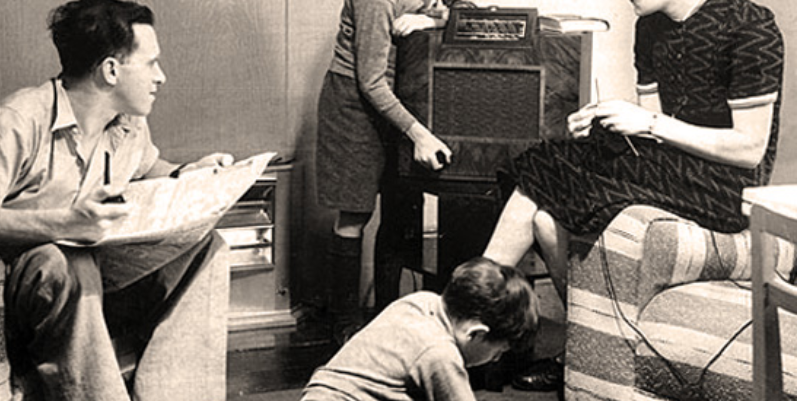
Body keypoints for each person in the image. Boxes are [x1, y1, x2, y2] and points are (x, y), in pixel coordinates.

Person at [0, 1, 235, 400]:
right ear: (111, 71)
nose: (161, 76)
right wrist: (64, 225)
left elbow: (148, 167)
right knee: (70, 260)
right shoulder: (16, 121)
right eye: (151, 63)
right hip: (23, 296)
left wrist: (190, 173)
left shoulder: (128, 123)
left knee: (207, 247)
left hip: (96, 285)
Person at [482, 0, 784, 392]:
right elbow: (653, 140)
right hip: (672, 169)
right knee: (543, 204)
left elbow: (750, 150)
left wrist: (649, 122)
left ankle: (471, 311)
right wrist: (605, 119)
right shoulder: (650, 28)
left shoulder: (749, 24)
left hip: (725, 189)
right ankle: (573, 342)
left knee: (546, 166)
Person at [315, 0, 455, 344]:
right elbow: (371, 82)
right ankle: (345, 324)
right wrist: (419, 135)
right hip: (354, 103)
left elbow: (467, 12)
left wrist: (431, 22)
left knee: (396, 211)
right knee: (355, 213)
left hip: (399, 97)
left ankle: (385, 315)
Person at [301, 257, 539, 401]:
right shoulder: (440, 353)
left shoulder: (421, 301)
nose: (495, 359)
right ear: (476, 333)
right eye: (497, 352)